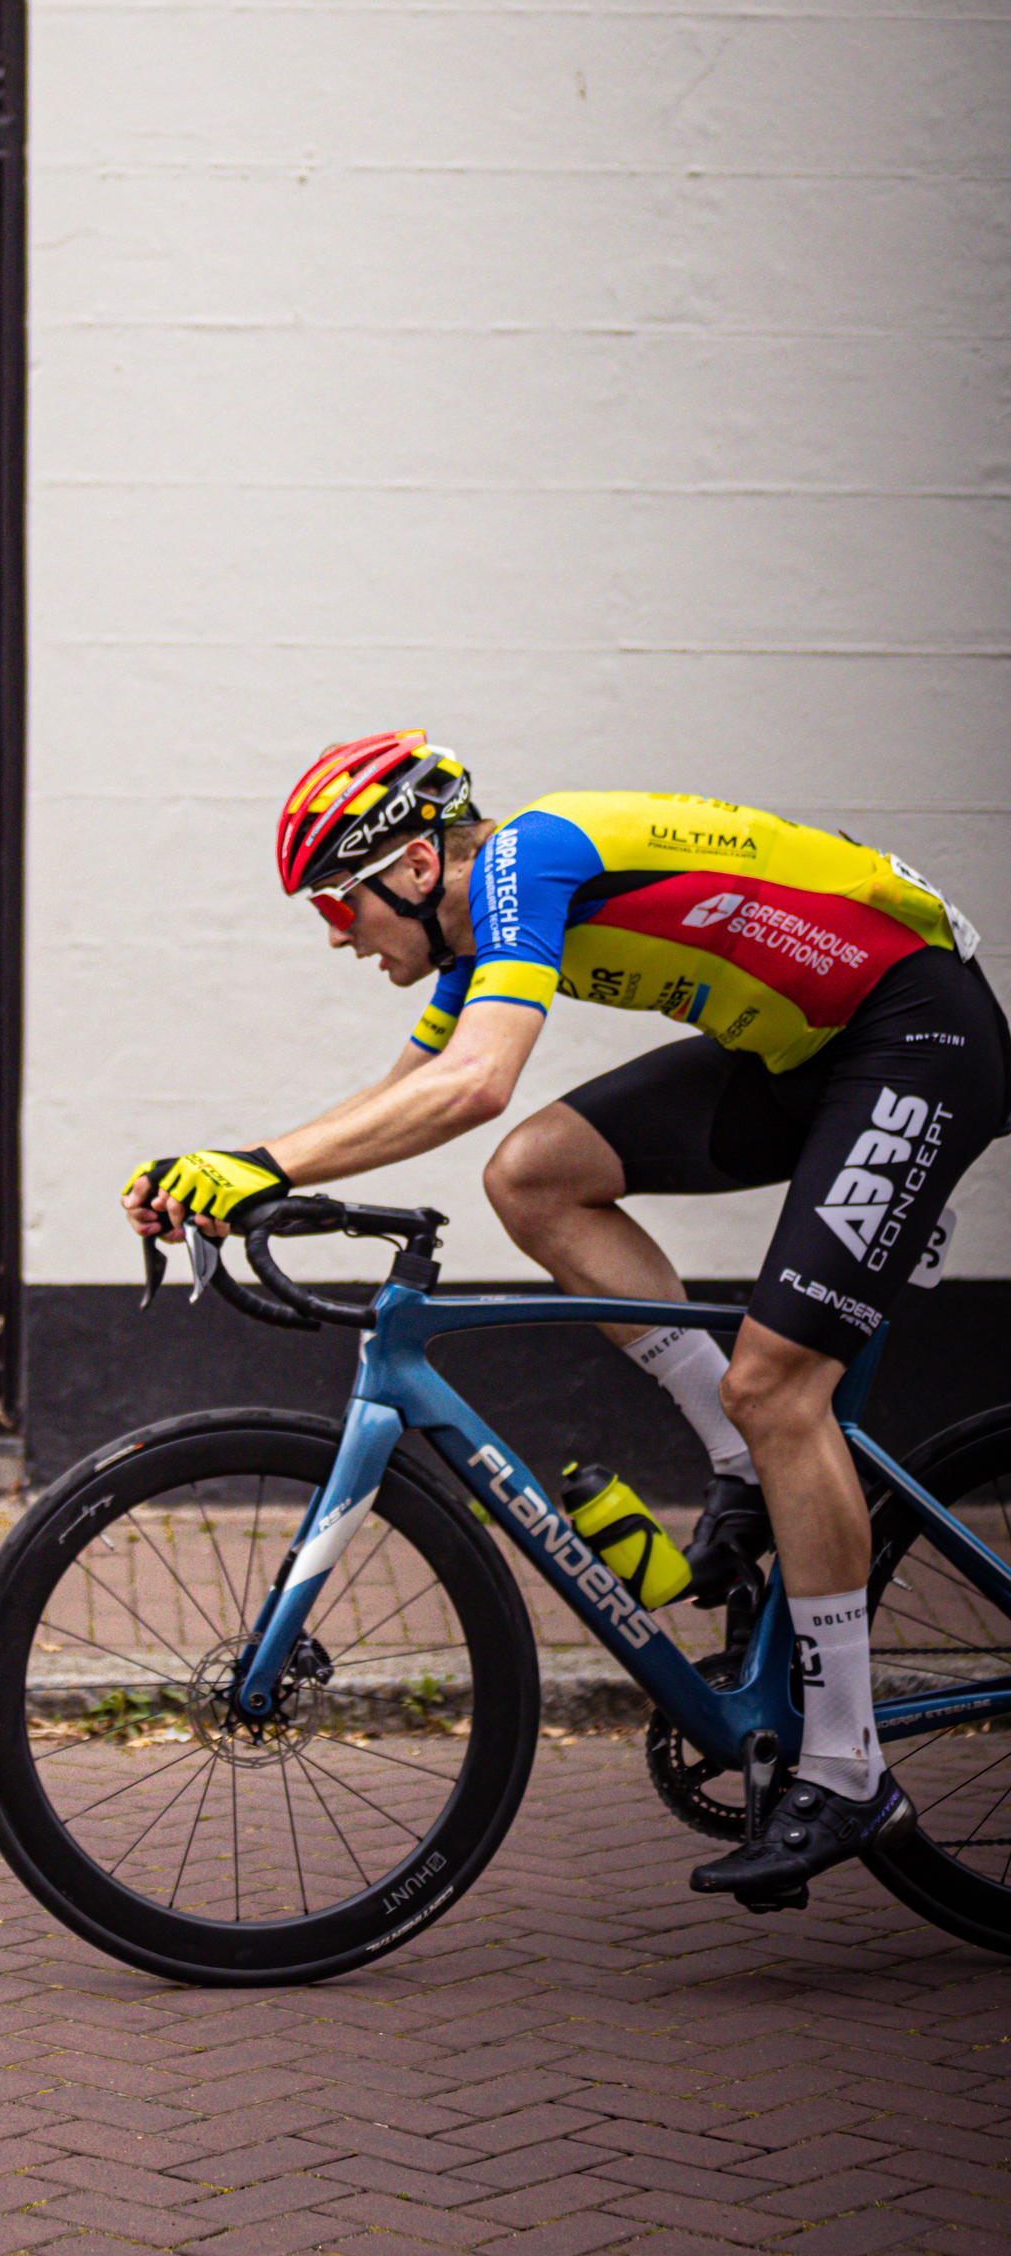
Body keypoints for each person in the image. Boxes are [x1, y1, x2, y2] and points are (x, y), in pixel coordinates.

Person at [123, 731, 1008, 1905]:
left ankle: (846, 1767)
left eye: (341, 906)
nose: (338, 938)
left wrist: (259, 1165)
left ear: (416, 867)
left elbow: (476, 1082)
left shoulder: (520, 862)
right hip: (813, 1052)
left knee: (775, 1382)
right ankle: (744, 1452)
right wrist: (233, 1171)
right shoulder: (481, 923)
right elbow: (406, 1093)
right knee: (532, 1176)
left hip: (913, 1036)